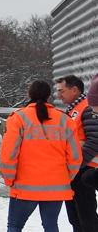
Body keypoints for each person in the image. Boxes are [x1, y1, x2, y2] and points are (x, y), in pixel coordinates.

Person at [0, 80, 81, 232]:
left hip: (24, 187)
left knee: (15, 226)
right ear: (49, 96)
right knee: (50, 225)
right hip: (55, 187)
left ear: (28, 94)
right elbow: (75, 157)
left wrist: (9, 179)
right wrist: (65, 177)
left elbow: (8, 154)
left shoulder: (18, 118)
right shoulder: (65, 120)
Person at [57, 75, 98, 232]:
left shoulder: (87, 108)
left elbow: (95, 139)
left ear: (74, 90)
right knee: (75, 216)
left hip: (84, 169)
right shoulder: (74, 108)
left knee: (86, 217)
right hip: (76, 169)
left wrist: (76, 165)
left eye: (62, 91)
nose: (59, 95)